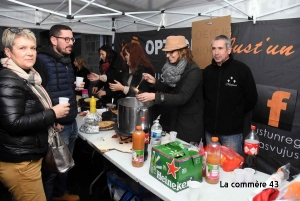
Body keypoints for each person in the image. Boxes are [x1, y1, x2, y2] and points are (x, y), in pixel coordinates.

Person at [0, 27, 69, 201]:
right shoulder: (9, 79)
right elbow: (13, 123)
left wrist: (51, 121)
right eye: (22, 48)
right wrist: (52, 113)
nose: (30, 53)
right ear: (8, 52)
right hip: (20, 163)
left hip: (27, 156)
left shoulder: (28, 76)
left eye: (32, 48)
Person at [34, 24, 83, 201]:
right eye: (67, 39)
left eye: (72, 39)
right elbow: (37, 95)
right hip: (56, 125)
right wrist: (52, 121)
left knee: (66, 165)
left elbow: (60, 88)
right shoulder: (41, 61)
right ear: (53, 40)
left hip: (71, 122)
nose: (71, 43)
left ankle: (60, 194)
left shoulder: (67, 60)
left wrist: (75, 87)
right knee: (52, 169)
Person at [136, 36, 204, 143]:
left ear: (183, 51)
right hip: (175, 118)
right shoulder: (173, 67)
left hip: (189, 123)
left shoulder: (193, 71)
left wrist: (154, 96)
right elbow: (171, 87)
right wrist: (155, 82)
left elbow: (182, 97)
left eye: (171, 52)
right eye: (167, 52)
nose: (168, 55)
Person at [202, 34, 258, 156]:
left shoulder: (242, 70)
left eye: (220, 48)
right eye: (213, 48)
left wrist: (235, 114)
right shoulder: (207, 71)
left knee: (233, 169)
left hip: (232, 133)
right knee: (211, 165)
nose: (216, 52)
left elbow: (252, 98)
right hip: (210, 132)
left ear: (229, 50)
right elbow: (203, 97)